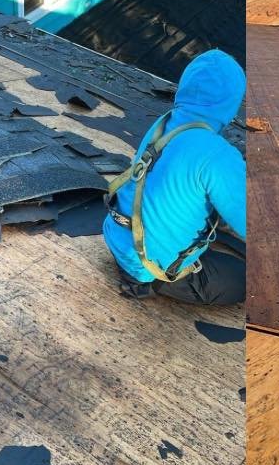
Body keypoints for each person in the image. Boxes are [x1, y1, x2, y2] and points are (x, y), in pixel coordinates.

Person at [103, 50, 246, 306]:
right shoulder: (217, 154)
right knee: (246, 278)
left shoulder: (165, 122)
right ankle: (152, 286)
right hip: (148, 268)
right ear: (231, 102)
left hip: (119, 237)